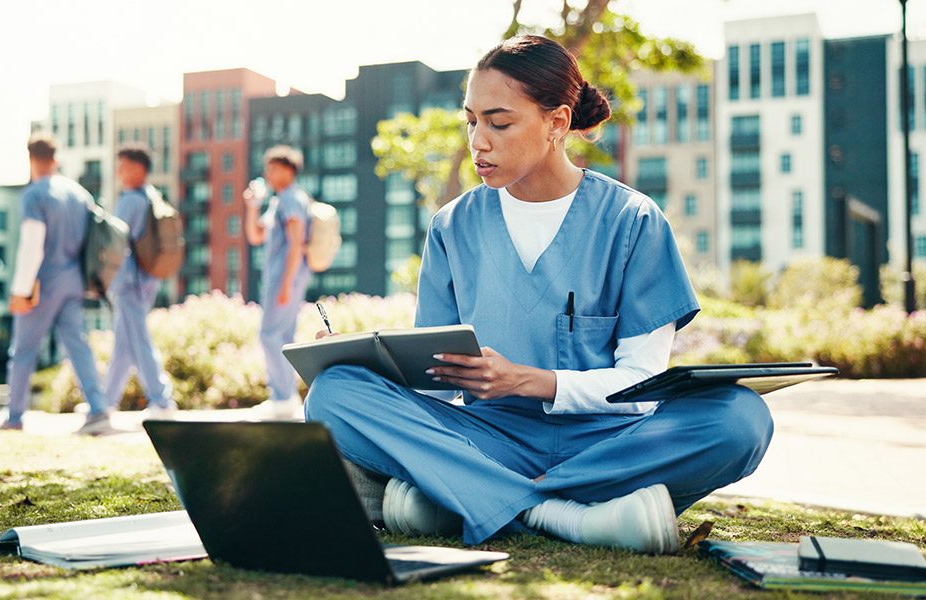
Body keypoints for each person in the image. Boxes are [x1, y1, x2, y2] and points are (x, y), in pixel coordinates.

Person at [304, 35, 774, 554]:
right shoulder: (452, 226)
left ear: (556, 123)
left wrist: (533, 382)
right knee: (336, 393)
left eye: (499, 123)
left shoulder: (632, 221)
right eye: (471, 121)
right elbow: (436, 386)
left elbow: (643, 386)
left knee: (739, 418)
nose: (478, 141)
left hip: (608, 445)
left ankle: (460, 500)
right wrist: (370, 362)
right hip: (484, 441)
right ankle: (566, 517)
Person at [1, 134, 111, 435]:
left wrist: (20, 291)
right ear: (56, 157)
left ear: (31, 159)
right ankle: (99, 408)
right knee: (78, 346)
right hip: (75, 283)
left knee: (24, 350)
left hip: (43, 285)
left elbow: (32, 245)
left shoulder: (34, 195)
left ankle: (14, 416)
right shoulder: (78, 193)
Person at [102, 145, 177, 420]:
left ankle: (162, 400)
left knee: (139, 340)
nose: (119, 172)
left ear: (138, 168)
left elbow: (114, 242)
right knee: (124, 343)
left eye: (123, 166)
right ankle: (106, 401)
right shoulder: (151, 196)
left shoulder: (131, 200)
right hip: (147, 278)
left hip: (129, 281)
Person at [244, 145, 312, 419]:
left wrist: (286, 283)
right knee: (282, 337)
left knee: (269, 335)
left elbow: (297, 242)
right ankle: (285, 398)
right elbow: (255, 236)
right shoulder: (279, 201)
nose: (267, 174)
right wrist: (252, 207)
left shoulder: (292, 199)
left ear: (287, 170)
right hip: (281, 277)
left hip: (285, 278)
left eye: (271, 169)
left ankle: (283, 397)